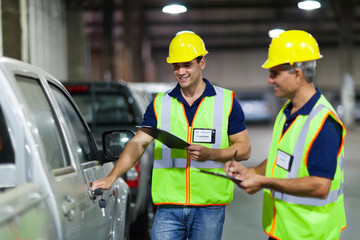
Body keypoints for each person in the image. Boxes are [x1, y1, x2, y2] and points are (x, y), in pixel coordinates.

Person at [92, 31, 251, 240]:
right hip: (168, 208)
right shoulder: (160, 103)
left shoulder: (227, 101)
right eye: (176, 66)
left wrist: (211, 154)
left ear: (202, 62)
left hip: (209, 206)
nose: (181, 71)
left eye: (187, 65)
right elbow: (138, 143)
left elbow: (245, 149)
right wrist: (112, 176)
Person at [224, 30, 346, 240]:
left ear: (297, 74)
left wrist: (264, 182)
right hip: (283, 230)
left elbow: (320, 186)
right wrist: (250, 171)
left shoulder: (324, 122)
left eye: (275, 73)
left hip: (310, 234)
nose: (270, 80)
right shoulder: (287, 112)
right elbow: (282, 161)